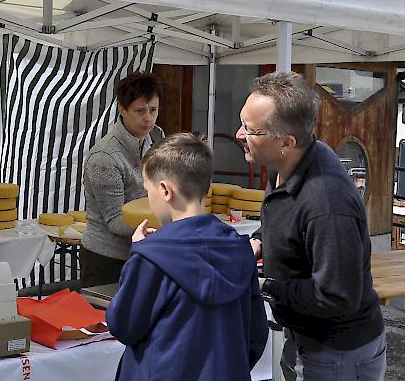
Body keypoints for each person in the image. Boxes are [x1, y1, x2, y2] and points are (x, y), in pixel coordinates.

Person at [237, 72, 386, 380]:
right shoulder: (286, 165)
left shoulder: (327, 203)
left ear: (286, 142)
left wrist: (264, 285)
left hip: (339, 353)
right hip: (305, 337)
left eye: (250, 130)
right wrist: (258, 242)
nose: (239, 135)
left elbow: (336, 296)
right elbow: (282, 220)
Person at [106, 133, 268, 381]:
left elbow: (124, 325)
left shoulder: (150, 257)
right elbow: (255, 334)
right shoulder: (239, 248)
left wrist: (138, 254)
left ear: (165, 190)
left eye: (148, 191)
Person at [81, 72, 164, 287]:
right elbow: (116, 221)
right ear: (122, 108)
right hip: (107, 260)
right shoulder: (104, 158)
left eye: (153, 110)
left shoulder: (157, 137)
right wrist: (167, 221)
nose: (148, 118)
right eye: (139, 111)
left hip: (145, 252)